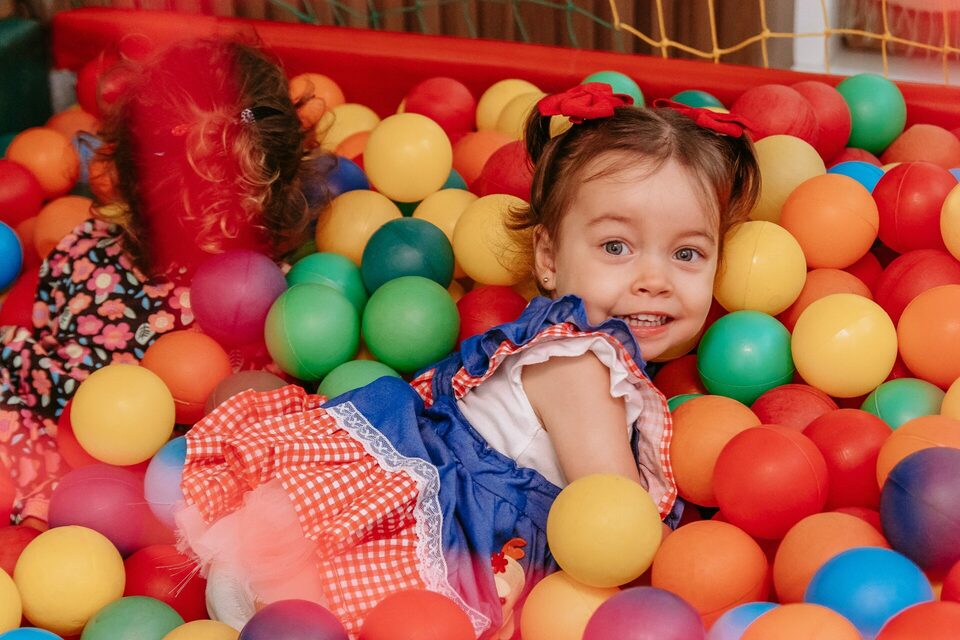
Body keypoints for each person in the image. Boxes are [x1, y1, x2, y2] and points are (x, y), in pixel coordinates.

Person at [177, 83, 760, 638]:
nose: (654, 280)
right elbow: (616, 520)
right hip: (451, 534)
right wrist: (707, 555)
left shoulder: (565, 341)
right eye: (616, 247)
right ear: (549, 258)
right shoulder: (581, 364)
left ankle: (256, 582)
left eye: (687, 253)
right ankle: (263, 589)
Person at [0, 38, 325, 524]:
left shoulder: (83, 247)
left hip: (63, 456)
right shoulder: (275, 313)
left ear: (121, 172)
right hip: (127, 488)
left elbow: (36, 332)